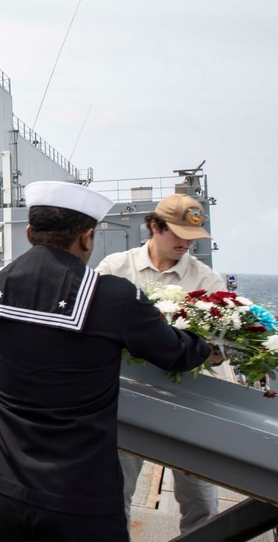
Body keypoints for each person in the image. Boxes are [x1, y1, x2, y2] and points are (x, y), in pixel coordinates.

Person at [0, 181, 210, 542]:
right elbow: (178, 354)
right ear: (87, 238)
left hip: (2, 489)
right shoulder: (115, 298)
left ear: (28, 233)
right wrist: (209, 343)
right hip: (79, 497)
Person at [96, 193, 226, 533]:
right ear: (154, 226)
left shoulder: (207, 280)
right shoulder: (114, 268)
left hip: (190, 403)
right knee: (113, 494)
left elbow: (220, 348)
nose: (186, 243)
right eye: (178, 234)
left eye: (192, 237)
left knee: (201, 500)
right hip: (128, 400)